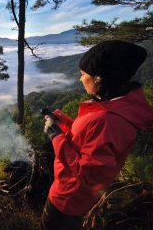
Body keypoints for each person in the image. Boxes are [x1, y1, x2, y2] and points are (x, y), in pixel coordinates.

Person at [41, 40, 153, 230]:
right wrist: (65, 124)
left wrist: (56, 137)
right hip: (76, 194)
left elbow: (87, 173)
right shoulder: (113, 107)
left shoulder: (106, 119)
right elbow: (88, 141)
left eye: (83, 74)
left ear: (99, 79)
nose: (80, 79)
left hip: (69, 198)